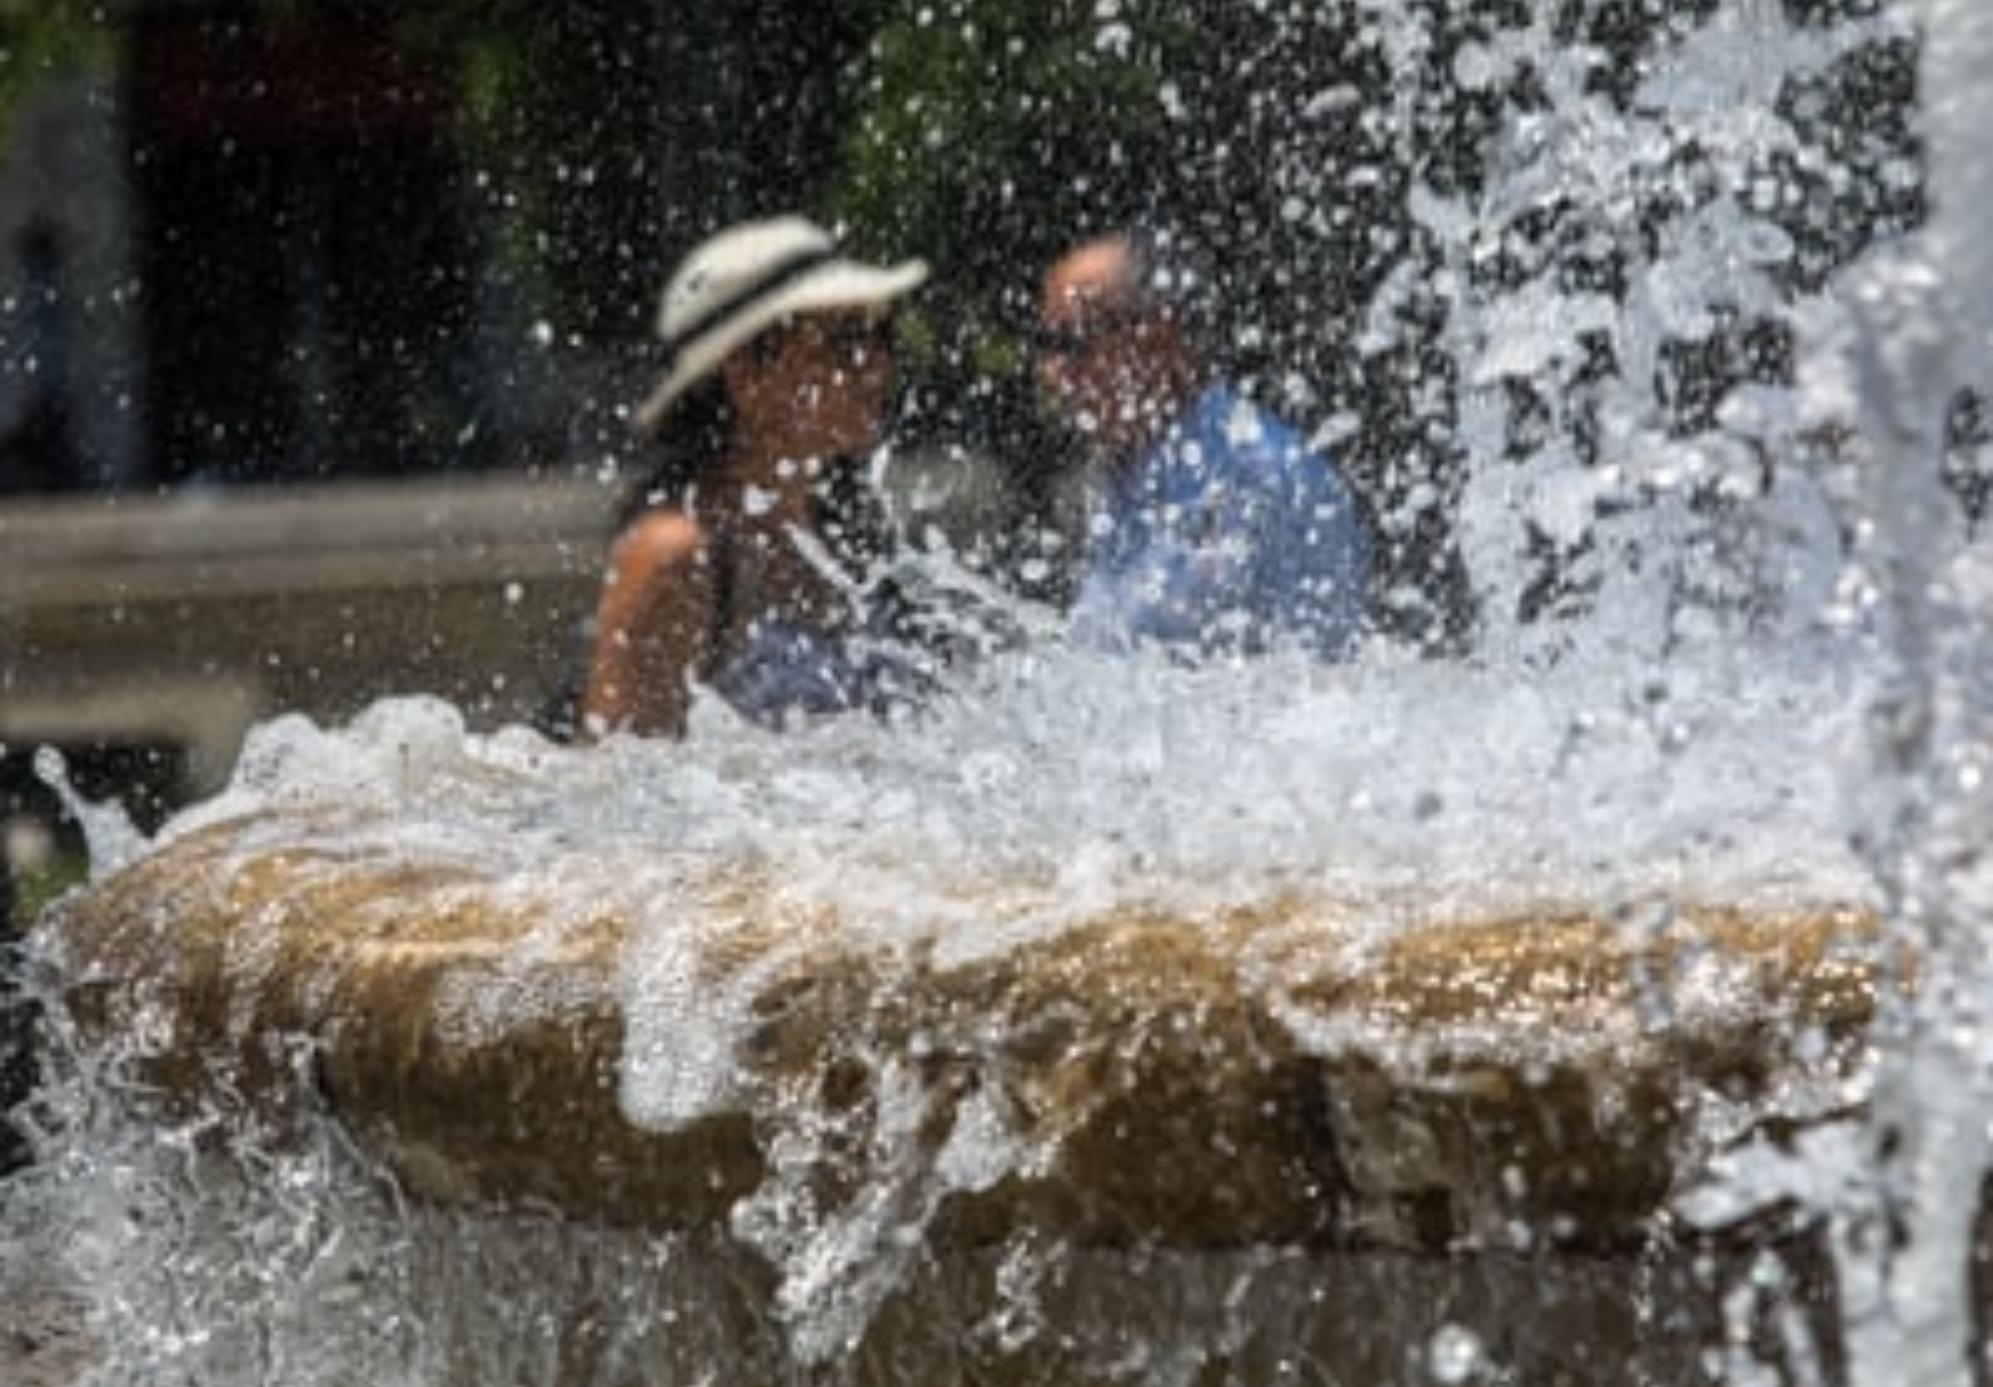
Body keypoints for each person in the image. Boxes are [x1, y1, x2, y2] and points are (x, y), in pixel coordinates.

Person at [582, 215, 932, 738]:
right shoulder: (677, 556)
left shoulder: (848, 533)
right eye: (846, 340)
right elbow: (615, 791)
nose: (877, 365)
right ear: (745, 374)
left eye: (883, 333)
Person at [1036, 230, 1370, 658]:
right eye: (1045, 344)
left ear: (1155, 333)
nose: (1052, 371)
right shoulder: (1124, 472)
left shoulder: (1270, 478)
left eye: (1073, 343)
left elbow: (1323, 686)